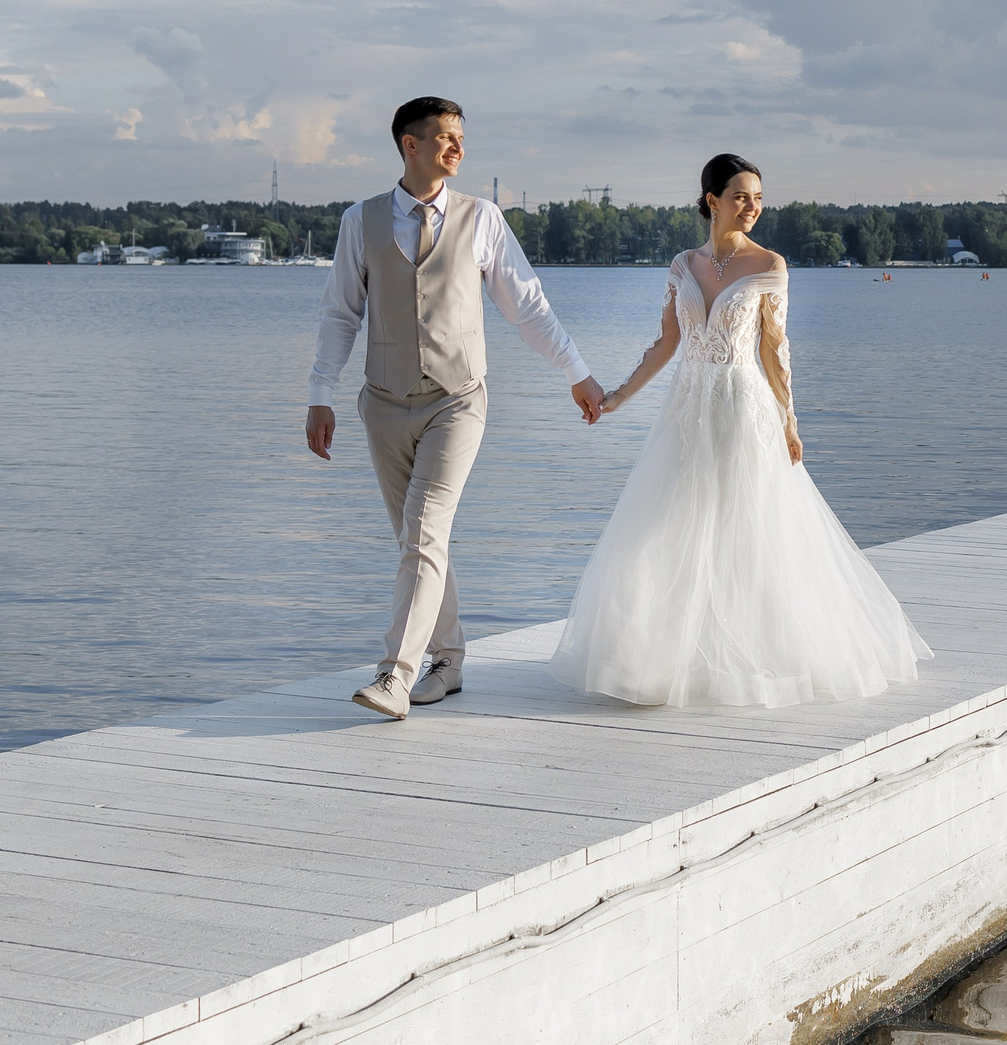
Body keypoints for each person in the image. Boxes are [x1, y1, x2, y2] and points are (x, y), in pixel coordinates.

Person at [547, 153, 931, 708]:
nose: (752, 207)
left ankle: (760, 656)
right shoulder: (682, 265)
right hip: (686, 407)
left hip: (742, 404)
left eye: (757, 198)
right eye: (741, 197)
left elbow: (775, 351)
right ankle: (667, 655)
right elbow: (667, 344)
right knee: (673, 522)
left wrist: (789, 421)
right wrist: (615, 399)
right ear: (712, 201)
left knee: (747, 524)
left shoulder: (770, 265)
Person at [306, 97, 606, 721]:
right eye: (444, 137)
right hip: (382, 404)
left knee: (423, 529)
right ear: (408, 145)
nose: (457, 148)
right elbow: (341, 313)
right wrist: (319, 394)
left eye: (461, 138)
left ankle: (395, 674)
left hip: (458, 399)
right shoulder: (359, 223)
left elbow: (526, 306)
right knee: (419, 539)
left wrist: (576, 371)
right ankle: (449, 660)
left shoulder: (483, 218)